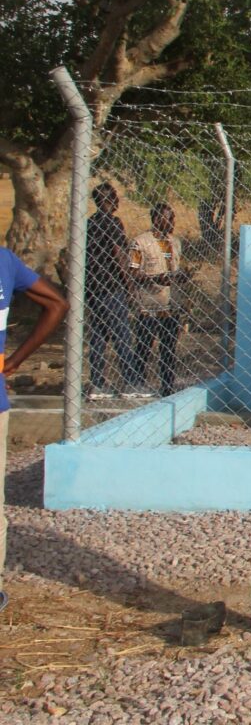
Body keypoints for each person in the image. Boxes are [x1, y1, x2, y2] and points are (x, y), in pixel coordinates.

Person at [0, 247, 69, 611]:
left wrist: (12, 361)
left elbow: (56, 304)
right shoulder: (5, 260)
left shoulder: (5, 261)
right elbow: (57, 303)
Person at [84, 183, 139, 398]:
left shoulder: (90, 223)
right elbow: (118, 254)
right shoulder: (113, 222)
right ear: (109, 200)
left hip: (94, 287)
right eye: (115, 197)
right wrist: (130, 285)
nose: (117, 201)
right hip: (111, 286)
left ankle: (97, 384)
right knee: (122, 334)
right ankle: (130, 382)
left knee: (98, 335)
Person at [128, 203, 189, 396]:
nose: (172, 222)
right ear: (156, 220)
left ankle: (167, 385)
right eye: (168, 218)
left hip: (170, 303)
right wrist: (155, 278)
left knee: (169, 347)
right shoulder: (140, 243)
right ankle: (137, 382)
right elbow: (132, 272)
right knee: (145, 344)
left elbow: (175, 268)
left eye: (173, 218)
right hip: (149, 303)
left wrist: (181, 276)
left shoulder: (175, 242)